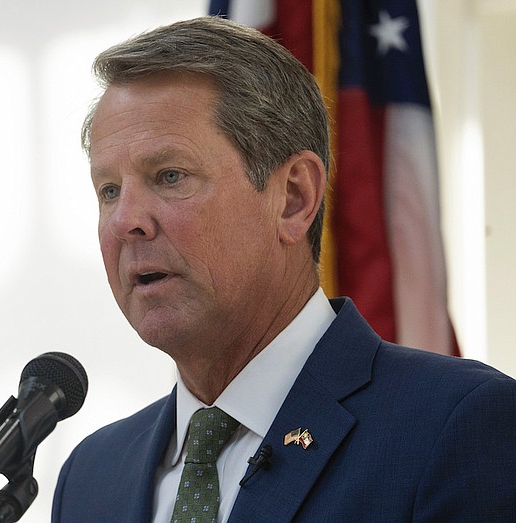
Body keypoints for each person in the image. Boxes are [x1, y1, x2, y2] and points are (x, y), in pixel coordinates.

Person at [51, 16, 516, 522]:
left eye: (169, 176)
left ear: (294, 198)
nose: (126, 222)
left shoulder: (455, 426)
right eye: (109, 190)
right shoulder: (90, 476)